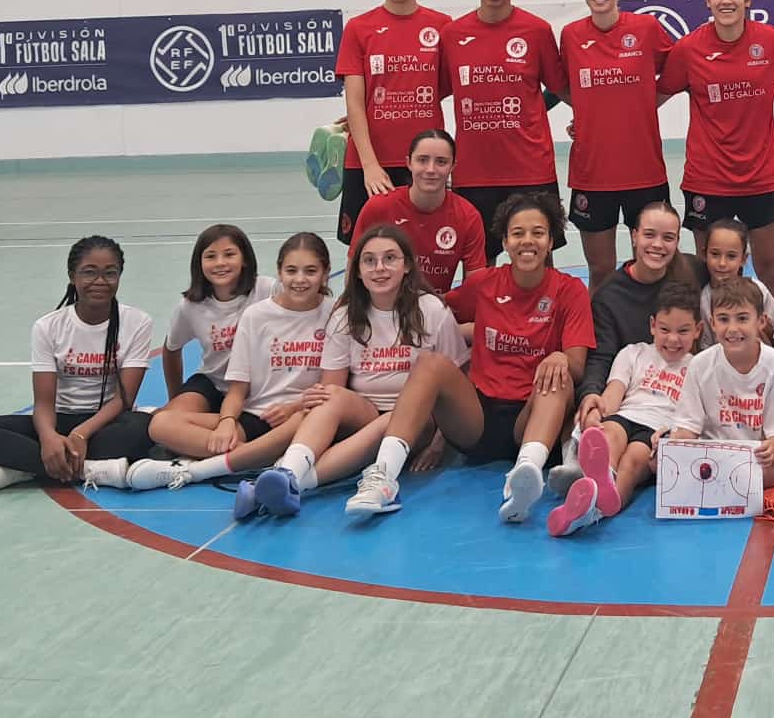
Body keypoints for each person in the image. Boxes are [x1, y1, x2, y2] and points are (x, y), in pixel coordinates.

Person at [341, 194, 592, 523]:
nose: (527, 241)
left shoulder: (570, 290)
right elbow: (431, 307)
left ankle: (523, 477)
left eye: (538, 232)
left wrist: (560, 356)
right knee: (430, 364)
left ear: (551, 241)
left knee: (557, 378)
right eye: (517, 233)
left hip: (531, 417)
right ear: (505, 242)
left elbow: (577, 364)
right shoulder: (485, 284)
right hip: (477, 418)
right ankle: (383, 478)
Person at [242, 224, 469, 513]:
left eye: (390, 258)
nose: (379, 268)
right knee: (330, 396)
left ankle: (285, 485)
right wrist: (303, 406)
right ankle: (287, 473)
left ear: (407, 266)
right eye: (369, 260)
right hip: (366, 413)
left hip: (419, 421)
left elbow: (456, 381)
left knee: (393, 418)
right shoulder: (345, 315)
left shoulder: (431, 310)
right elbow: (332, 388)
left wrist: (438, 444)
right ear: (358, 271)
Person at [131, 233, 335, 507]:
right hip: (255, 413)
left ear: (325, 273)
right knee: (161, 424)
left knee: (309, 418)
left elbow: (334, 385)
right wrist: (227, 422)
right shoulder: (255, 315)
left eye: (310, 271)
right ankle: (258, 459)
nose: (300, 279)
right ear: (280, 272)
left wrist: (293, 407)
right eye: (291, 271)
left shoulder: (335, 313)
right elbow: (237, 388)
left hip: (304, 414)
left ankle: (206, 466)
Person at [0, 235, 154, 490]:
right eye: (89, 272)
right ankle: (90, 470)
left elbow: (123, 400)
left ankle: (27, 467)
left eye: (110, 273)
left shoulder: (137, 322)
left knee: (142, 429)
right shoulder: (48, 326)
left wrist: (81, 434)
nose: (100, 281)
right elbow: (44, 402)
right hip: (59, 418)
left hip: (105, 422)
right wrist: (49, 437)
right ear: (72, 276)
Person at [661, 0, 774, 297]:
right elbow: (652, 99)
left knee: (772, 269)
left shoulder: (771, 41)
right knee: (711, 274)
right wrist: (590, 120)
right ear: (707, 0)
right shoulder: (688, 49)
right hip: (708, 178)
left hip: (762, 176)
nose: (727, 0)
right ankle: (708, 333)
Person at [561, 201, 707, 493]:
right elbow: (601, 357)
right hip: (631, 398)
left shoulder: (693, 271)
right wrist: (591, 396)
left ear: (678, 241)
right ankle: (585, 465)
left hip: (670, 410)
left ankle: (605, 488)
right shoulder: (610, 296)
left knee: (639, 455)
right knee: (601, 426)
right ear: (634, 235)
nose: (658, 245)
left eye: (668, 238)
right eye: (649, 235)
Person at [441, 0, 568, 251]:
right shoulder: (453, 34)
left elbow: (560, 87)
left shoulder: (537, 30)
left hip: (531, 170)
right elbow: (428, 92)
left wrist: (591, 119)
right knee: (479, 263)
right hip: (474, 173)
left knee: (539, 258)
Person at [551, 285, 703, 537]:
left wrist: (673, 437)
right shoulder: (634, 353)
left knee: (633, 461)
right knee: (608, 435)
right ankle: (601, 479)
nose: (673, 339)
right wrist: (598, 413)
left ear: (698, 330)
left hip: (658, 430)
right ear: (652, 325)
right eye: (665, 330)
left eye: (683, 331)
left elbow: (695, 416)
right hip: (626, 415)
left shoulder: (700, 367)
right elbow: (614, 391)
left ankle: (592, 510)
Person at [560, 0, 675, 282]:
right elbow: (562, 84)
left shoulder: (646, 29)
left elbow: (678, 69)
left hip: (644, 170)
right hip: (592, 174)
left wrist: (645, 104)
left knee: (655, 265)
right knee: (600, 270)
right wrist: (588, 113)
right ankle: (601, 320)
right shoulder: (570, 35)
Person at [334, 0, 448, 246]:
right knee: (364, 249)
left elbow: (449, 86)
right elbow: (355, 102)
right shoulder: (359, 28)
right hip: (370, 162)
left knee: (422, 248)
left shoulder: (442, 26)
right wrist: (371, 166)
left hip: (423, 162)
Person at [671, 282, 774, 491]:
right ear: (712, 323)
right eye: (723, 319)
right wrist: (673, 442)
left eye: (742, 318)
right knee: (658, 459)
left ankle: (722, 488)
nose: (732, 328)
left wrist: (770, 448)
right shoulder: (700, 365)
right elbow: (688, 427)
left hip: (756, 459)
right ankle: (747, 490)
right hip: (713, 458)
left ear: (761, 321)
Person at [151, 224, 272, 423]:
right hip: (213, 384)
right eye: (210, 256)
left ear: (245, 259)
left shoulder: (267, 290)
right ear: (199, 263)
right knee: (166, 421)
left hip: (260, 387)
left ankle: (221, 425)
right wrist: (175, 396)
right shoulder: (190, 306)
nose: (220, 263)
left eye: (229, 254)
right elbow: (171, 349)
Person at [348, 129, 486, 296]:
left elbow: (475, 286)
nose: (430, 169)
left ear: (453, 166)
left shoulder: (468, 216)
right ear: (409, 163)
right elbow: (353, 267)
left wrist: (438, 304)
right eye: (422, 160)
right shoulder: (378, 207)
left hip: (436, 306)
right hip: (382, 304)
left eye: (441, 162)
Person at [698, 217, 773, 339]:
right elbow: (705, 345)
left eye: (731, 256)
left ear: (743, 259)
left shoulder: (759, 290)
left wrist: (767, 331)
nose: (722, 263)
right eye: (715, 254)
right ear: (704, 254)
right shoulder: (704, 300)